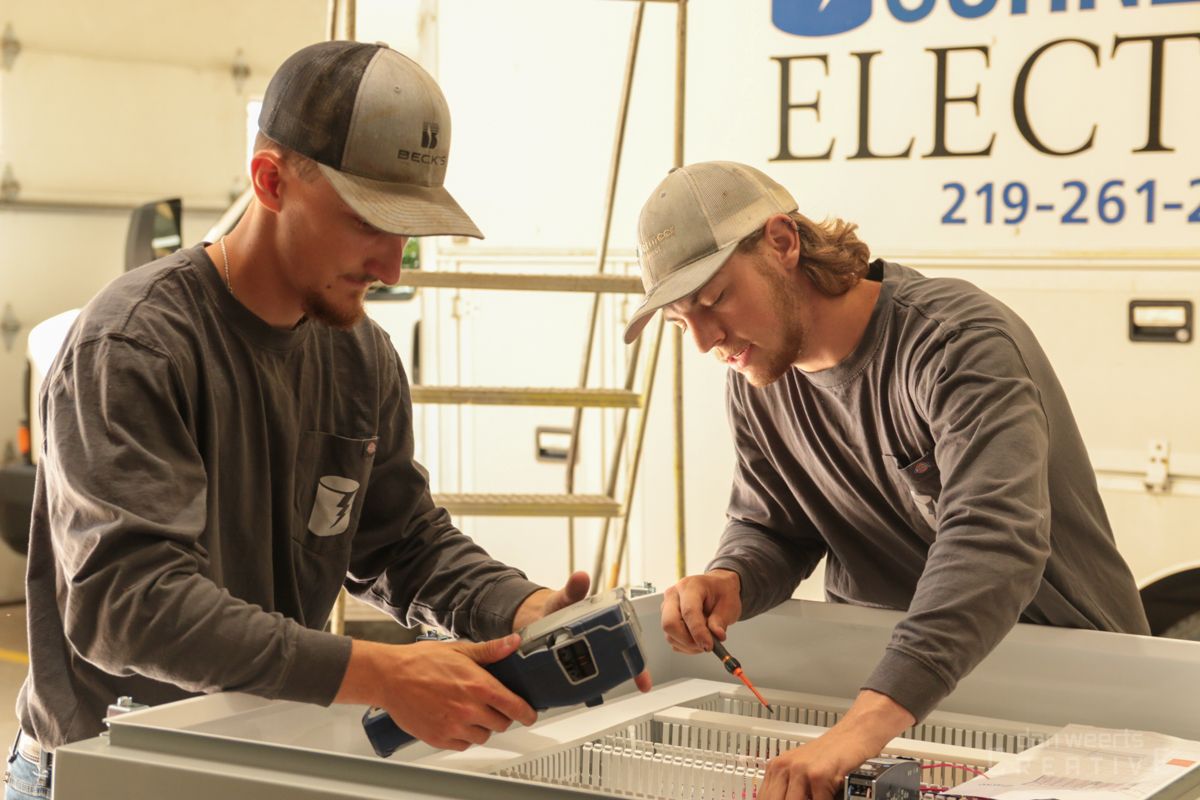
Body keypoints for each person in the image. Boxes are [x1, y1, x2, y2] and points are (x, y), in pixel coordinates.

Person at [6, 41, 647, 800]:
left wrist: (520, 606)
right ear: (270, 181)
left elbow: (401, 542)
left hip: (256, 759)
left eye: (408, 232)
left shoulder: (360, 357)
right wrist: (379, 673)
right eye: (369, 222)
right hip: (111, 773)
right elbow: (130, 607)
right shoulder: (135, 346)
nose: (392, 267)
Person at [624, 161, 1149, 800]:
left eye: (713, 301)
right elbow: (775, 526)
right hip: (899, 703)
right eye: (681, 323)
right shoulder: (760, 378)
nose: (706, 341)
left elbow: (992, 543)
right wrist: (731, 577)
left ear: (782, 243)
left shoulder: (953, 342)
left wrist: (859, 729)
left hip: (1065, 694)